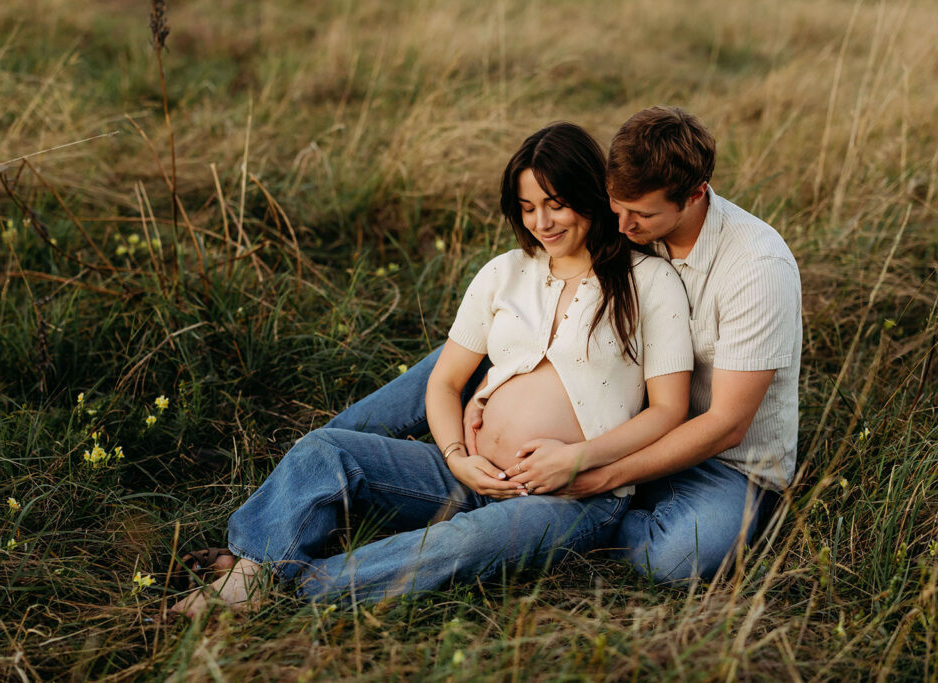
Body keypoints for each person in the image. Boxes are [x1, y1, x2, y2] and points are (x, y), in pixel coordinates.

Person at [170, 122, 692, 617]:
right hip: (466, 476)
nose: (542, 223)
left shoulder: (648, 281)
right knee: (324, 450)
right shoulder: (505, 273)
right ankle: (252, 572)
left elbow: (669, 410)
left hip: (572, 496)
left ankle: (291, 588)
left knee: (463, 542)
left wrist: (577, 460)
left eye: (556, 205)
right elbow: (443, 382)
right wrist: (457, 456)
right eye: (528, 207)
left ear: (589, 196)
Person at [325, 106, 802, 583]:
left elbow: (726, 424)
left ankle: (572, 526)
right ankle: (332, 446)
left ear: (696, 195)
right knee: (485, 351)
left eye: (641, 214)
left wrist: (599, 476)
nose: (622, 226)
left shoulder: (755, 268)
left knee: (680, 558)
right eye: (616, 206)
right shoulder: (631, 227)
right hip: (625, 414)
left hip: (719, 459)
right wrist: (496, 388)